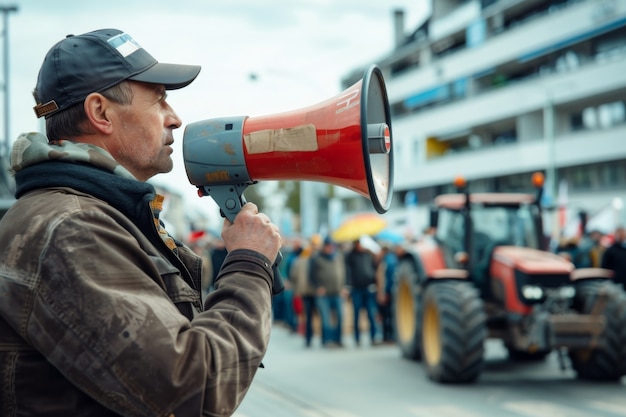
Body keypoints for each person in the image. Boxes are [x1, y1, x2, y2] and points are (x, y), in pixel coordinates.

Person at [0, 29, 282, 417]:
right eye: (159, 101)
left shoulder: (91, 215)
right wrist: (250, 263)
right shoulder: (71, 230)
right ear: (100, 112)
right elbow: (191, 390)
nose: (176, 119)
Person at [309, 236, 346, 347]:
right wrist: (317, 287)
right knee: (326, 319)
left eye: (331, 246)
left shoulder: (338, 257)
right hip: (323, 294)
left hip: (337, 292)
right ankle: (327, 340)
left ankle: (338, 340)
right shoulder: (317, 258)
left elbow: (344, 272)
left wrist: (344, 287)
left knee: (340, 316)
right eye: (328, 246)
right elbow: (311, 276)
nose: (330, 248)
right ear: (324, 246)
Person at [345, 238, 380, 346]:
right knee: (356, 314)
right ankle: (357, 338)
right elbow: (348, 271)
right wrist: (348, 286)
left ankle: (374, 337)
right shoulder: (350, 256)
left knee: (371, 313)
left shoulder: (368, 255)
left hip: (369, 288)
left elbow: (374, 268)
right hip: (356, 289)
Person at [601, 225, 626, 289]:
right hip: (614, 284)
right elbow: (604, 268)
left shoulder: (624, 250)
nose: (621, 236)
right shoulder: (610, 251)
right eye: (620, 234)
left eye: (623, 234)